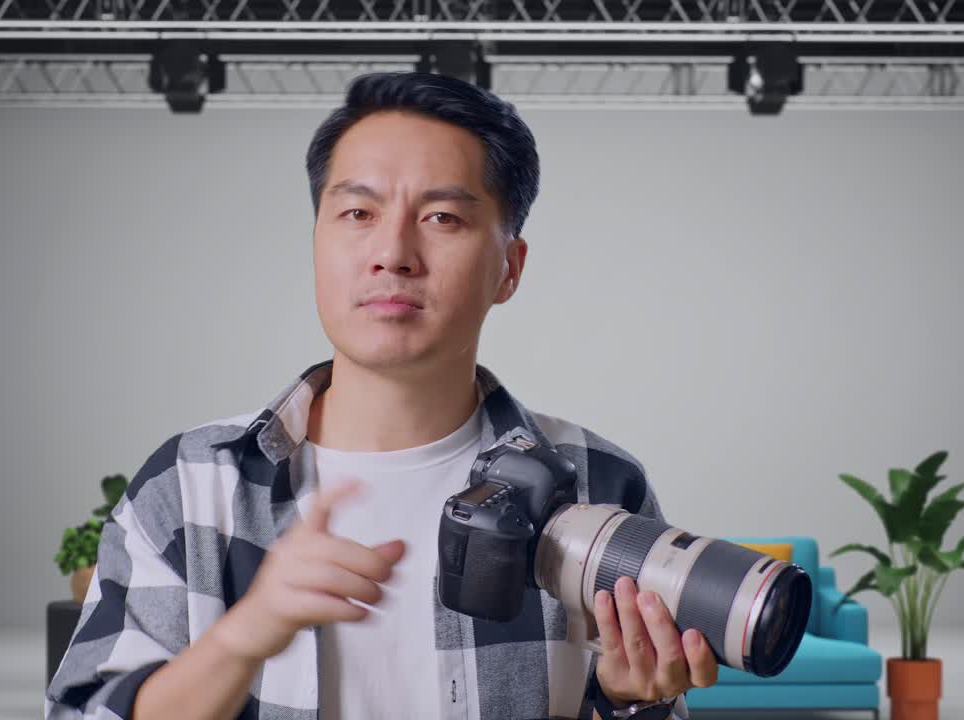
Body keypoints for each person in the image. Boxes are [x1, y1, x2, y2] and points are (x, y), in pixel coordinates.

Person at [45, 71, 718, 720]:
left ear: (508, 270)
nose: (392, 253)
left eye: (443, 217)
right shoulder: (190, 487)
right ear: (317, 242)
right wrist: (242, 637)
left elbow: (646, 698)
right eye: (358, 213)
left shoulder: (601, 486)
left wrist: (633, 703)